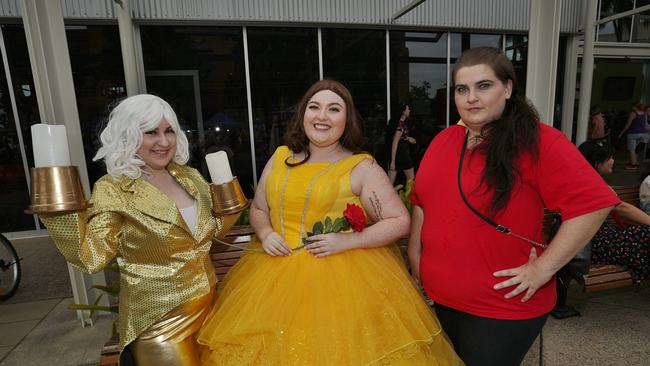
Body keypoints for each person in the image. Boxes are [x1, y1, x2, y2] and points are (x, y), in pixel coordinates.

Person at [197, 79, 463, 365]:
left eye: (334, 109)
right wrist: (265, 232)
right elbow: (260, 207)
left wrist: (350, 239)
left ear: (346, 120)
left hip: (342, 282)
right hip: (269, 280)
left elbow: (399, 220)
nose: (322, 116)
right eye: (314, 107)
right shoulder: (280, 157)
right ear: (303, 115)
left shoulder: (360, 166)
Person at [408, 47, 618, 366]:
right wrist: (416, 260)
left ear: (507, 88)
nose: (471, 98)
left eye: (484, 86)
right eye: (462, 89)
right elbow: (422, 203)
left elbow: (594, 204)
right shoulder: (444, 141)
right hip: (441, 300)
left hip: (501, 307)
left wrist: (543, 268)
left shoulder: (538, 141)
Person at [39, 94, 236, 365]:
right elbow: (90, 257)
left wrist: (232, 204)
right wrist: (57, 209)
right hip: (160, 322)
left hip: (210, 312)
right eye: (151, 132)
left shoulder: (189, 177)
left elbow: (210, 232)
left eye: (169, 131)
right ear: (128, 135)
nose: (164, 142)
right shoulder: (114, 188)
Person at [578, 140, 650, 282]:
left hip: (599, 240)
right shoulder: (591, 185)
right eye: (609, 158)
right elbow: (622, 208)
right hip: (600, 243)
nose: (612, 161)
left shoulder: (585, 181)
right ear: (596, 162)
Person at [388, 102, 417, 184]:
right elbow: (395, 142)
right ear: (403, 112)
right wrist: (392, 161)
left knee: (389, 183)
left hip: (398, 155)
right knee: (410, 180)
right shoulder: (400, 124)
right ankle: (408, 197)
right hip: (403, 156)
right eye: (408, 109)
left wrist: (408, 138)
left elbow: (397, 137)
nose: (409, 110)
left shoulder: (398, 123)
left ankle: (386, 196)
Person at [618, 100, 650, 170]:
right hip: (643, 134)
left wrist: (621, 133)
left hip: (633, 133)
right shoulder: (644, 113)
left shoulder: (633, 113)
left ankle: (633, 165)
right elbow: (645, 124)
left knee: (631, 149)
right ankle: (634, 162)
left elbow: (628, 124)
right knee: (636, 150)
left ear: (635, 106)